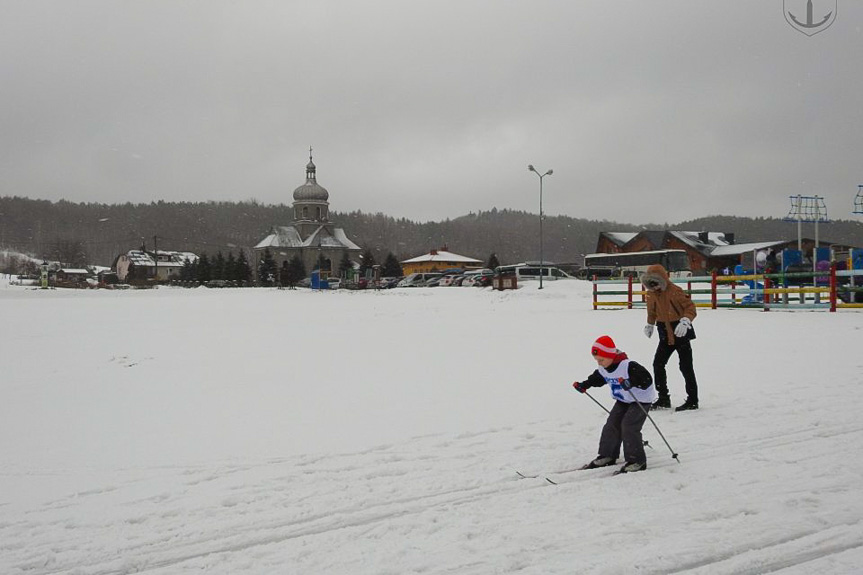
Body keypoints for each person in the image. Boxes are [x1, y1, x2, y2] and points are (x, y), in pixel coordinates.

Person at [572, 335, 656, 474]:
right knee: (612, 425)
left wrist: (631, 382)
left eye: (601, 359)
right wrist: (584, 385)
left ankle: (637, 461)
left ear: (611, 355)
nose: (599, 363)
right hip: (623, 400)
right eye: (597, 360)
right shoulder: (604, 368)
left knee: (629, 426)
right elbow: (597, 379)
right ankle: (607, 455)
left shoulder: (628, 366)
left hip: (640, 401)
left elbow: (646, 378)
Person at [641, 264, 699, 412]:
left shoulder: (675, 291)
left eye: (656, 284)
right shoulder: (651, 294)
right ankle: (663, 398)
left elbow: (690, 308)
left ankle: (692, 400)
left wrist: (685, 321)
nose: (654, 288)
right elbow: (652, 312)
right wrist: (650, 324)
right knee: (658, 364)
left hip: (680, 331)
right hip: (664, 333)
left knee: (686, 367)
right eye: (650, 285)